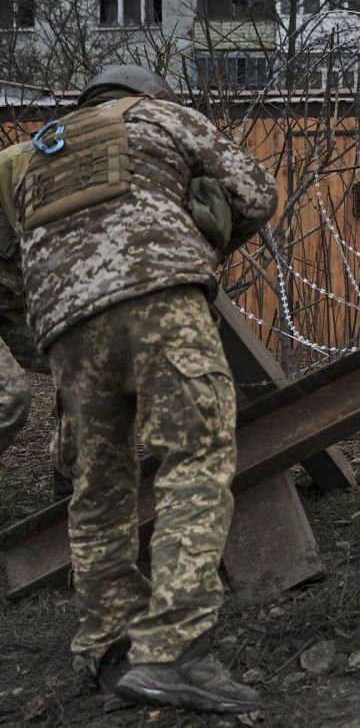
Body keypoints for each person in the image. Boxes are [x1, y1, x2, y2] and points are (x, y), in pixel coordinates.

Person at [5, 65, 277, 713]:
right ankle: (174, 651)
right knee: (196, 454)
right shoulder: (157, 116)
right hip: (159, 294)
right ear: (147, 95)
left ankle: (111, 653)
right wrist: (206, 238)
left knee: (99, 486)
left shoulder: (38, 152)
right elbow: (256, 192)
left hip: (68, 326)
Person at [0, 141, 33, 458]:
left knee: (87, 364)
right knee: (10, 397)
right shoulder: (12, 167)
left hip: (10, 311)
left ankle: (70, 477)